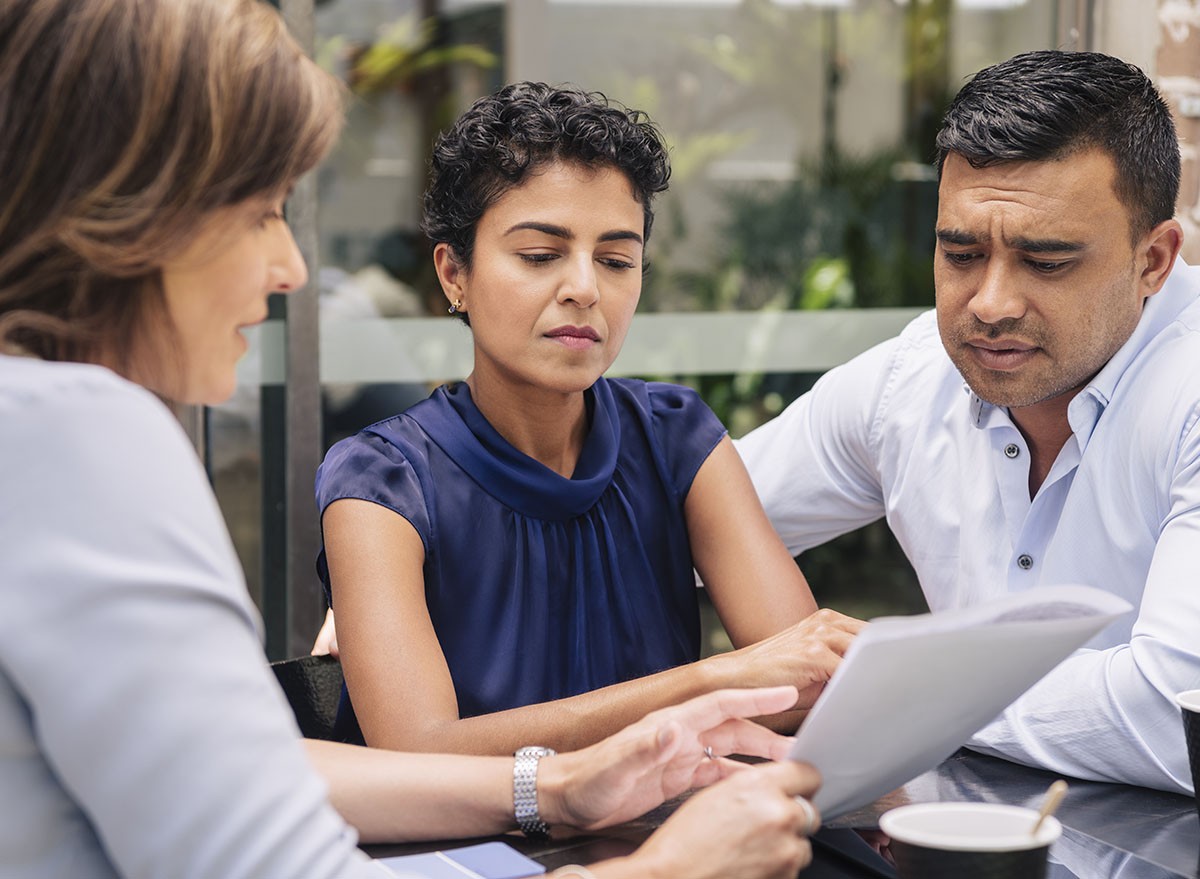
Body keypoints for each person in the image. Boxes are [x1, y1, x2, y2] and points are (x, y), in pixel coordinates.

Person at [0, 1, 828, 877]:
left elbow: (235, 769)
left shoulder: (670, 431)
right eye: (255, 211)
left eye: (616, 260)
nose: (293, 268)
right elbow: (276, 843)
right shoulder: (80, 436)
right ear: (127, 213)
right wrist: (669, 864)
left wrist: (559, 785)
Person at [314, 81, 864, 756]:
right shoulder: (381, 483)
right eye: (540, 255)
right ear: (454, 275)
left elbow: (807, 684)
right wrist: (713, 681)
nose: (584, 289)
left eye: (615, 260)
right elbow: (421, 751)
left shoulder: (676, 437)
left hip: (669, 840)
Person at [737, 49, 1198, 795]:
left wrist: (900, 690)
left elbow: (1175, 720)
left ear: (1154, 260)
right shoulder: (911, 380)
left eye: (1045, 261)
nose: (990, 303)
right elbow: (689, 520)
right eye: (961, 253)